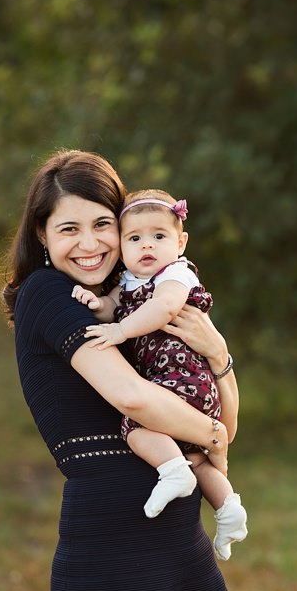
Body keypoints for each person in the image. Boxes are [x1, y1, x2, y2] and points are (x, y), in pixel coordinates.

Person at [2, 149, 242, 591]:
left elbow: (222, 426)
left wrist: (217, 354)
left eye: (102, 224)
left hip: (179, 533)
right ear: (41, 236)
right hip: (115, 533)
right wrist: (213, 436)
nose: (89, 244)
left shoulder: (141, 302)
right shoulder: (47, 292)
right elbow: (134, 398)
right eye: (69, 229)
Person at [72, 187, 248, 560]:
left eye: (158, 236)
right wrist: (97, 304)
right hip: (178, 383)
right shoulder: (128, 283)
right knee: (198, 456)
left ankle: (172, 473)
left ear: (181, 243)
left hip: (185, 377)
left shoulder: (176, 275)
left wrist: (120, 331)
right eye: (135, 238)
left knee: (134, 426)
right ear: (121, 245)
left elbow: (164, 308)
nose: (146, 246)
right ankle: (229, 508)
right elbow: (111, 308)